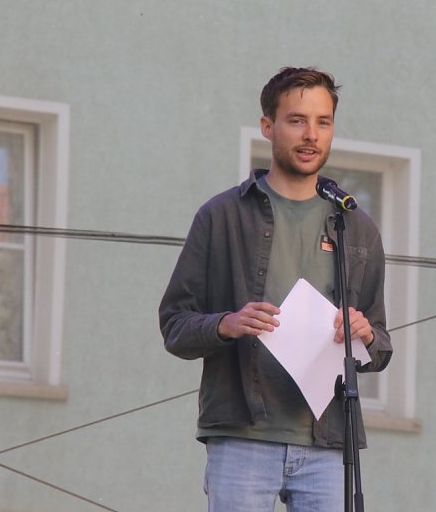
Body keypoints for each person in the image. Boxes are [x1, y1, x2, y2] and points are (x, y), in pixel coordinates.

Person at [159, 67, 393, 511]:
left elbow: (379, 346)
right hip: (242, 434)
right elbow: (174, 326)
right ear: (268, 126)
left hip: (329, 443)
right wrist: (226, 324)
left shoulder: (356, 226)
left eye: (323, 122)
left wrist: (363, 333)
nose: (311, 135)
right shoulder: (222, 215)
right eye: (297, 120)